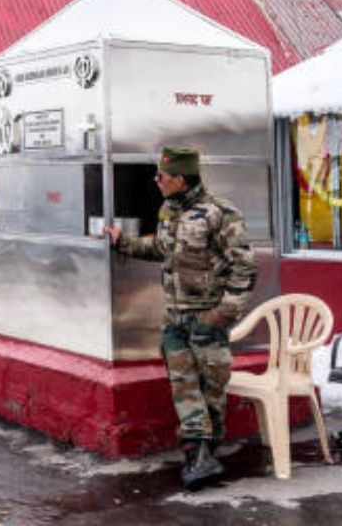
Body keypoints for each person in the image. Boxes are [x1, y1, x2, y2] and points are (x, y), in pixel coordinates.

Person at [103, 147, 257, 489]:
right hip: (175, 318)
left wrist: (223, 313)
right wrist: (122, 242)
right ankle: (197, 456)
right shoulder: (168, 210)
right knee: (184, 388)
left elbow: (245, 268)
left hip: (208, 318)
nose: (156, 181)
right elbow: (161, 249)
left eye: (162, 176)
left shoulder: (220, 213)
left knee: (211, 389)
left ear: (180, 179)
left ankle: (206, 455)